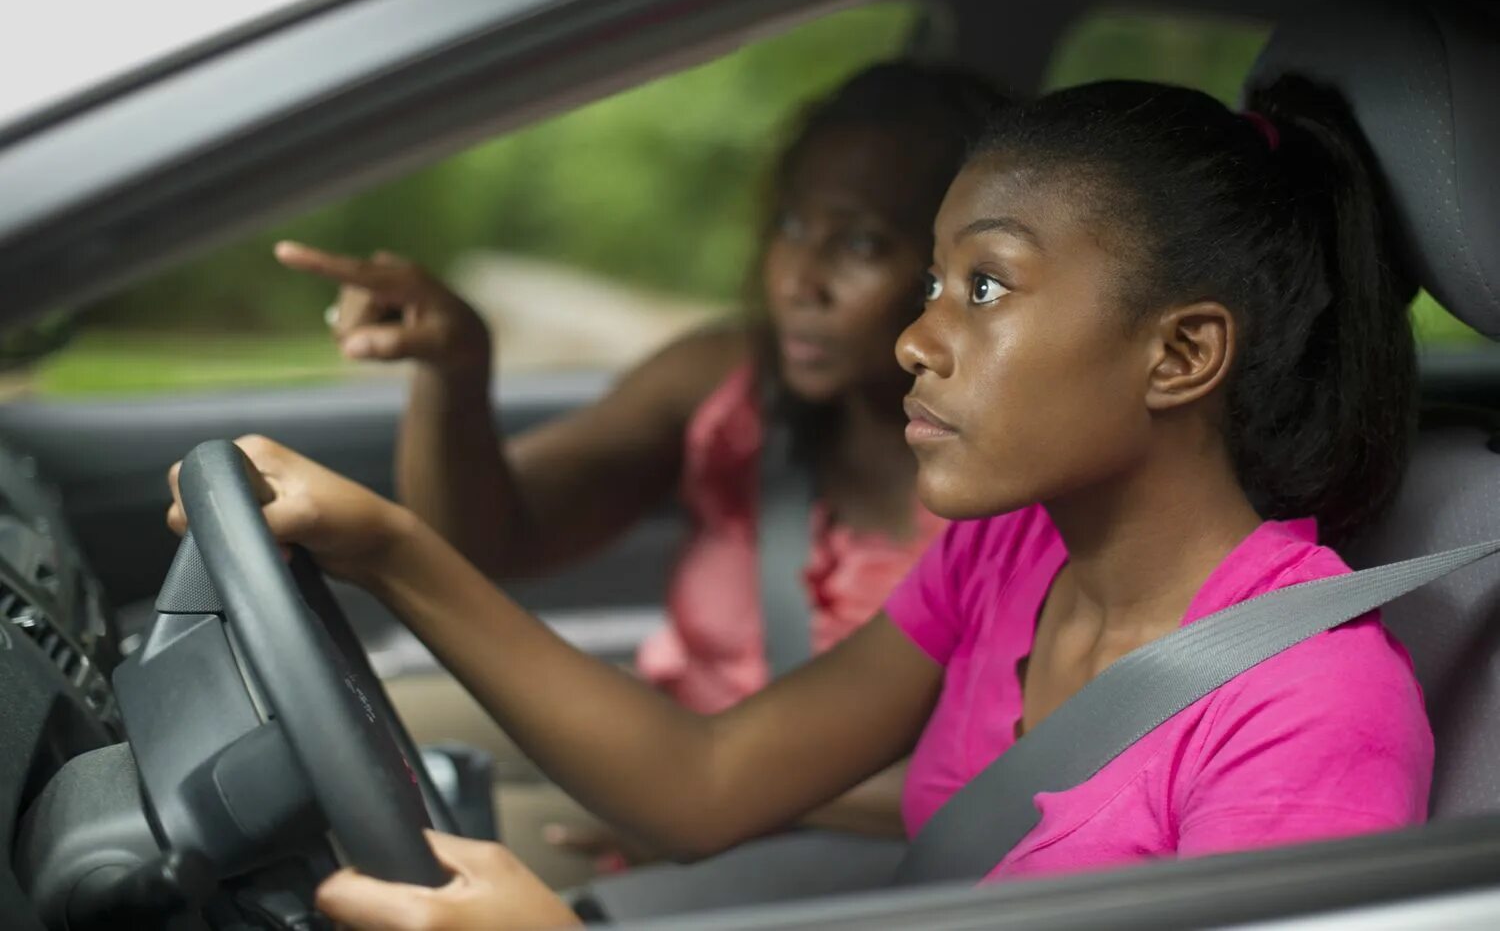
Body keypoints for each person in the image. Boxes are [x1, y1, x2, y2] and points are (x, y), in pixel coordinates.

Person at [170, 75, 1434, 929]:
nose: (916, 340)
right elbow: (702, 779)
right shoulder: (1004, 560)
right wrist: (386, 548)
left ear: (1180, 355)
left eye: (984, 288)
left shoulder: (1309, 711)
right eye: (933, 281)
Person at [274, 63, 1004, 850]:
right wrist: (452, 372)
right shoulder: (728, 382)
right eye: (791, 228)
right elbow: (488, 540)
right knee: (305, 748)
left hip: (799, 822)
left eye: (862, 243)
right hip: (673, 750)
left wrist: (699, 796)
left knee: (376, 857)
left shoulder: (1012, 498)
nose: (800, 281)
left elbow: (999, 786)